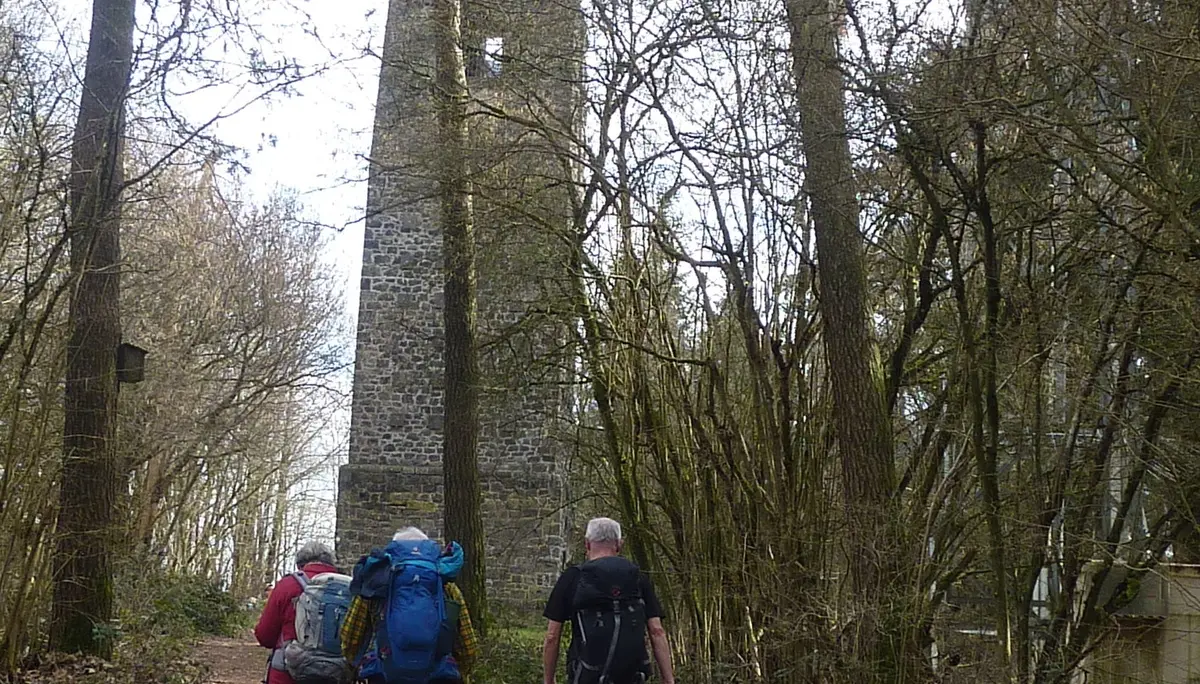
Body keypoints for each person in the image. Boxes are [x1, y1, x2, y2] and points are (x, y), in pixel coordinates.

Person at [543, 518, 676, 684]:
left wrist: (549, 680)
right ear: (619, 545)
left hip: (586, 676)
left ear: (587, 544)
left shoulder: (573, 578)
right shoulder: (637, 578)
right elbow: (657, 631)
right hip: (631, 677)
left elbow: (552, 636)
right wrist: (668, 679)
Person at [340, 527, 480, 684]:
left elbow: (350, 639)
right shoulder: (445, 585)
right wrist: (461, 671)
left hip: (383, 676)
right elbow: (468, 648)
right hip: (438, 677)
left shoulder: (375, 584)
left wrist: (358, 664)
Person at [255, 541, 342, 684]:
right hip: (335, 674)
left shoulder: (287, 585)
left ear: (300, 564)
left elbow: (265, 636)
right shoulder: (349, 589)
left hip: (287, 674)